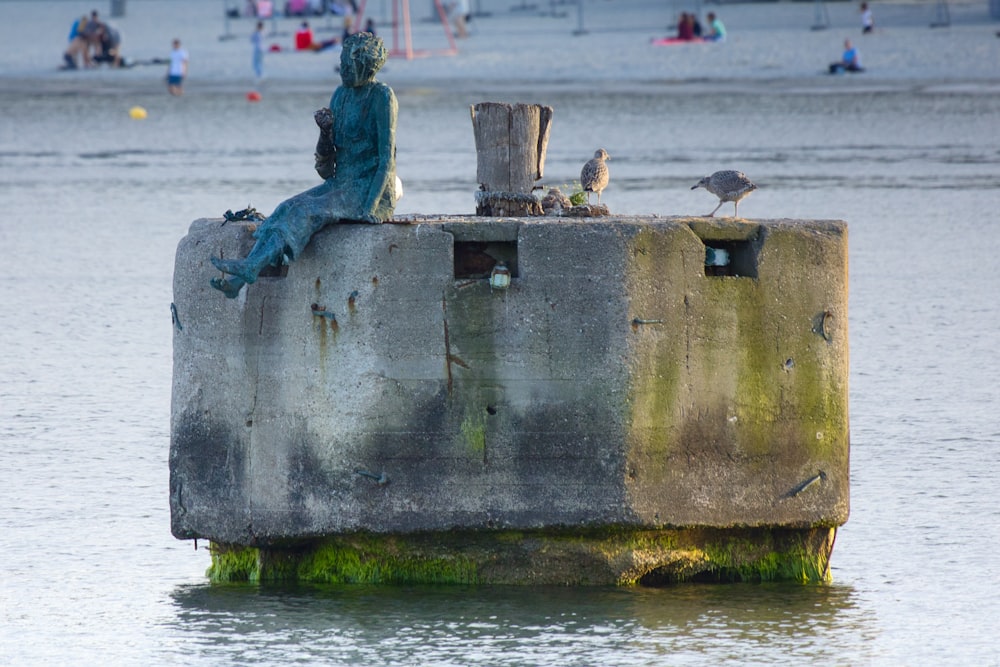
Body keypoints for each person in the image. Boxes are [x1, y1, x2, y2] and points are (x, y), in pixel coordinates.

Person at [210, 32, 399, 299]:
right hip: (340, 182)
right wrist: (325, 132)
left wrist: (370, 209)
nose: (342, 69)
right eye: (342, 62)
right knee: (285, 207)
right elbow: (325, 168)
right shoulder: (341, 95)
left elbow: (387, 160)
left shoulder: (382, 97)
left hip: (367, 188)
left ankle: (249, 268)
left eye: (348, 64)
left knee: (303, 211)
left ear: (366, 65)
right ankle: (239, 281)